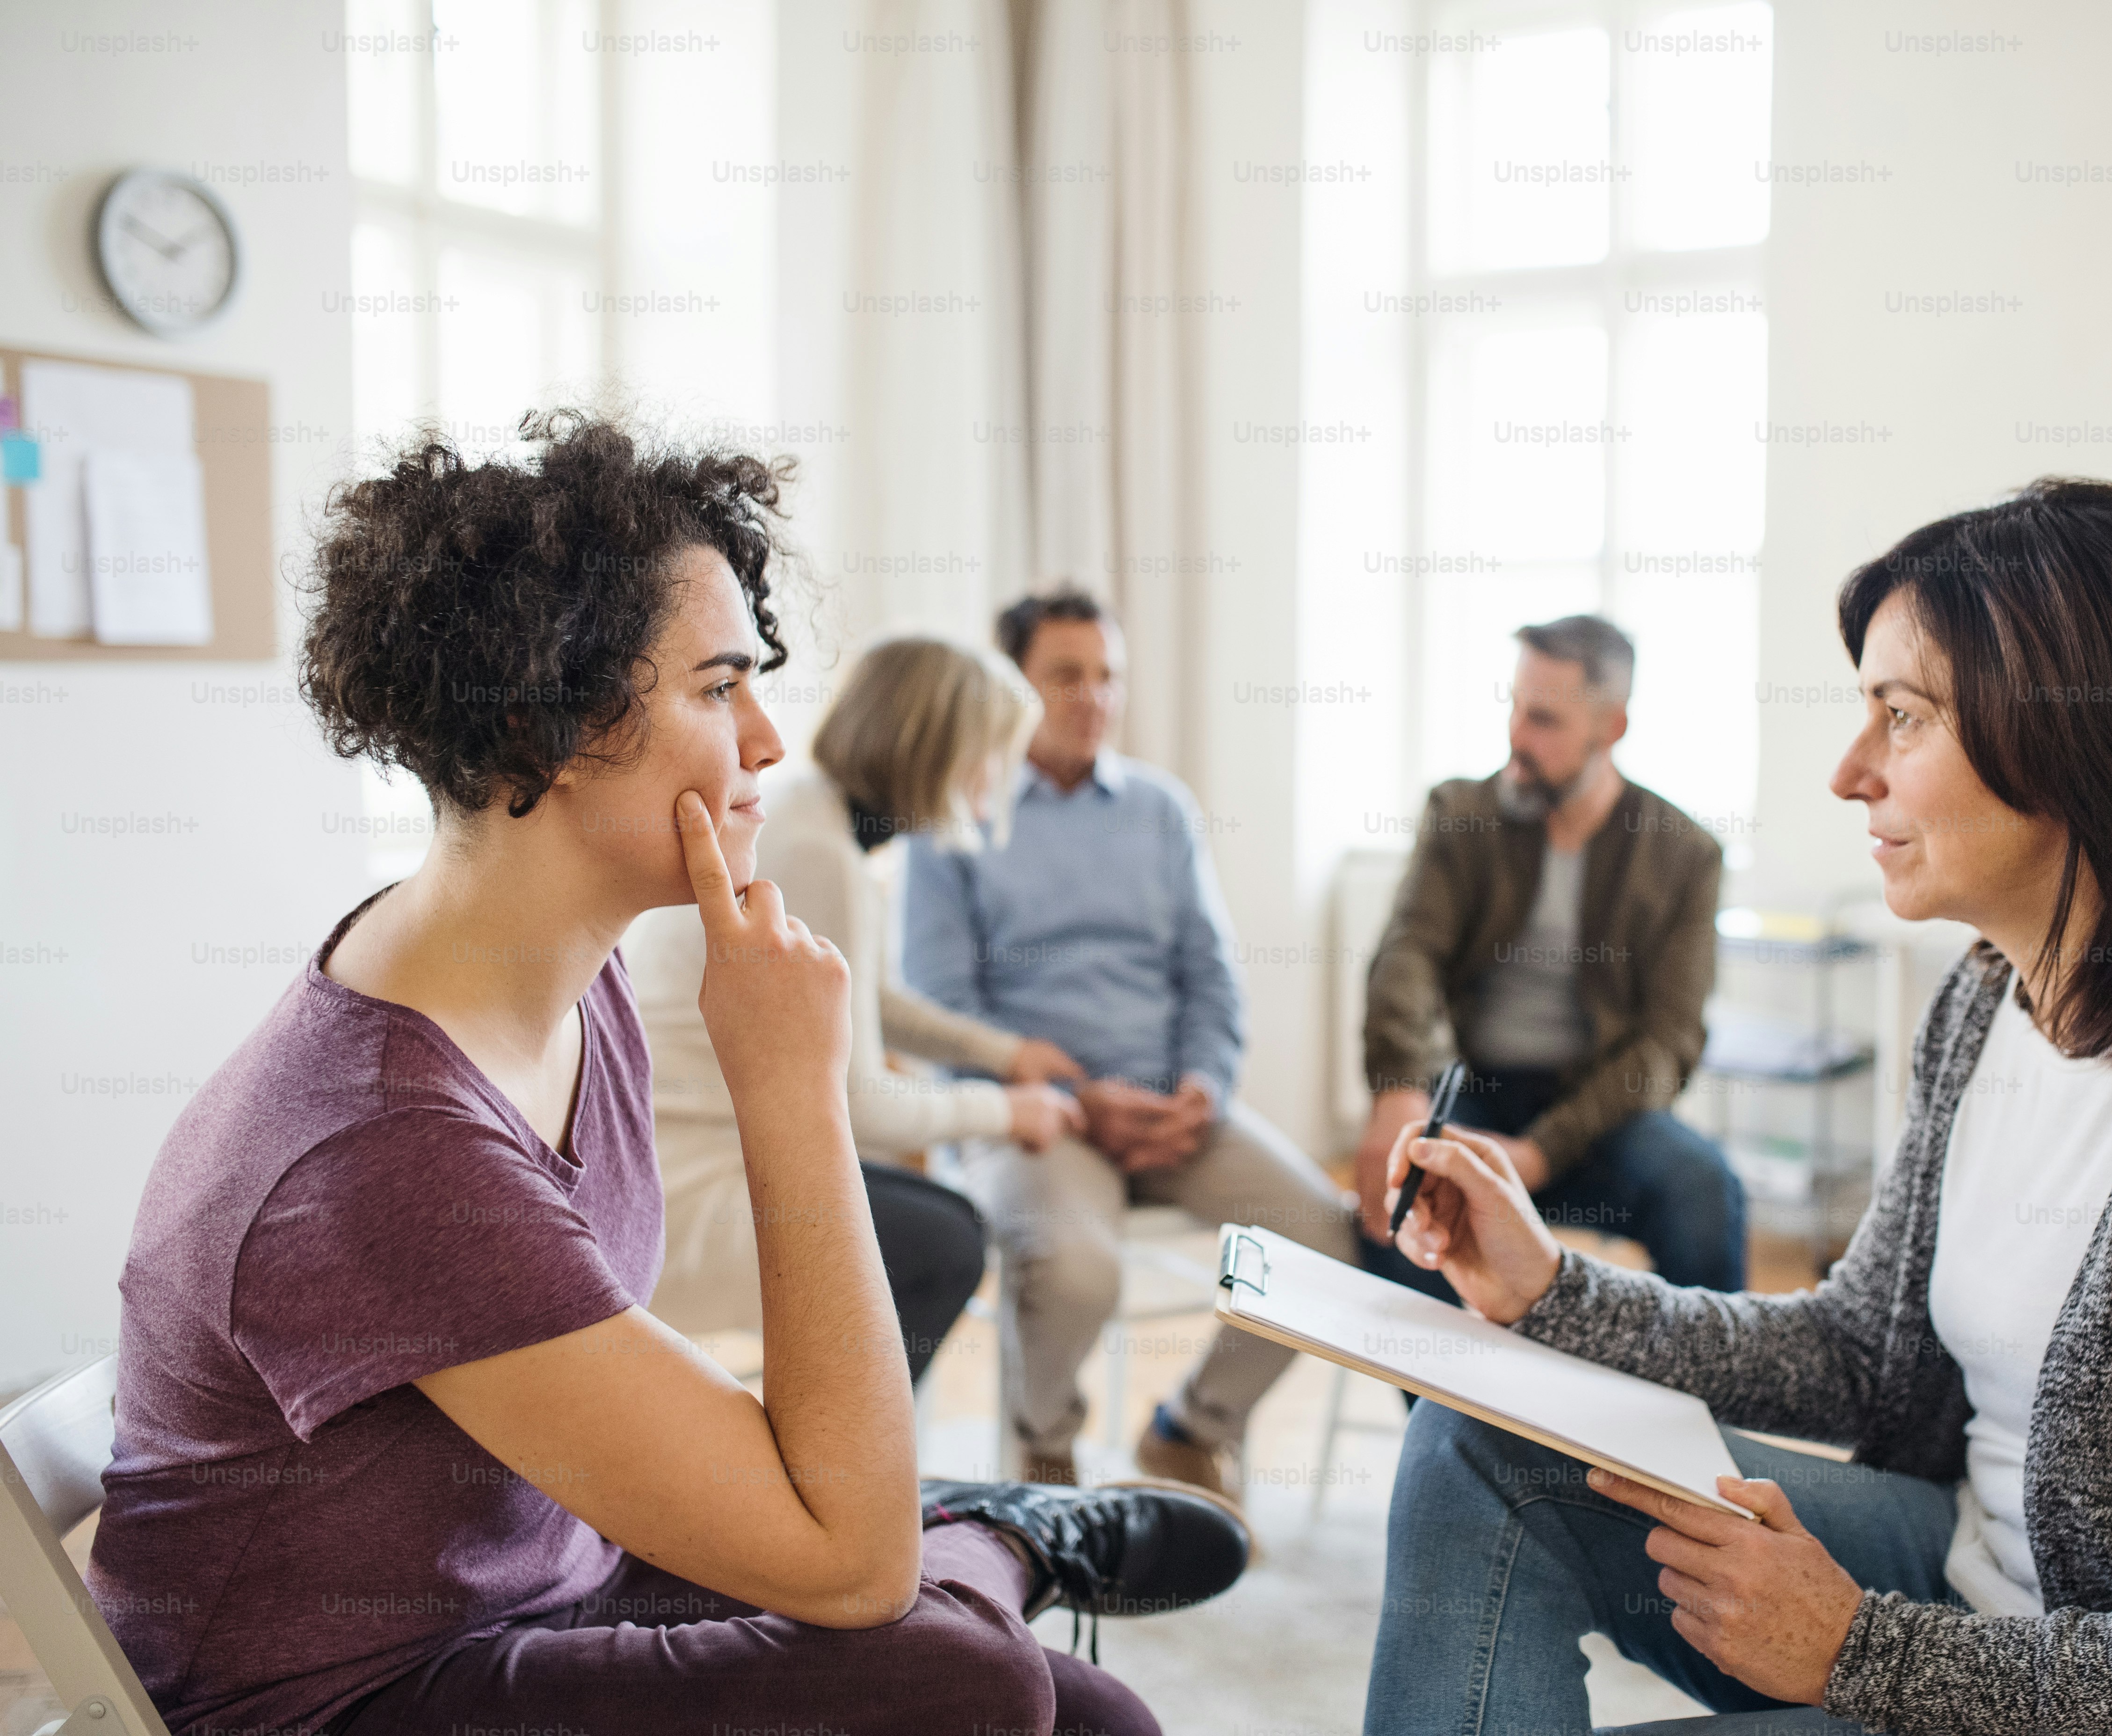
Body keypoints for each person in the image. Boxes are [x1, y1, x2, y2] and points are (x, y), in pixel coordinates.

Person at [84, 416, 1246, 1736]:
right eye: (716, 688)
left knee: (1092, 1717)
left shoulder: (573, 988)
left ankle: (970, 1534)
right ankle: (996, 1538)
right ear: (549, 730)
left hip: (538, 1583)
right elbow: (852, 1568)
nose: (766, 741)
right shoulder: (380, 1150)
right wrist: (794, 1092)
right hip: (343, 1697)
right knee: (966, 1675)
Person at [1361, 478, 2112, 1735]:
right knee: (1473, 1448)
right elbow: (1868, 1356)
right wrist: (1549, 1294)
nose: (1849, 772)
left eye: (1900, 718)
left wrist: (1857, 1650)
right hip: (1981, 1596)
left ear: (2067, 736)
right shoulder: (1992, 997)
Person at [903, 586, 1359, 1496]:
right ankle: (1042, 1445)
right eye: (1065, 674)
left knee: (1323, 1241)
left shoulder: (1161, 809)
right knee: (1078, 1270)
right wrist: (1074, 1103)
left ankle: (1191, 1427)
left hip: (1170, 1109)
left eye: (1108, 675)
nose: (1094, 696)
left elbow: (1211, 973)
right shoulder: (953, 815)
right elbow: (940, 1010)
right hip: (1037, 1118)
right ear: (1011, 685)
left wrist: (1205, 1085)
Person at [627, 636, 1089, 1382]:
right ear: (938, 753)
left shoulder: (810, 816)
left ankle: (844, 1452)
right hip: (689, 1193)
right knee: (946, 1248)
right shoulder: (822, 855)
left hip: (707, 1153)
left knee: (952, 1219)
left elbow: (861, 994)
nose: (994, 778)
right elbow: (865, 1108)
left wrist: (1003, 1056)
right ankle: (843, 1467)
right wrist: (1009, 1111)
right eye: (989, 755)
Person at [1354, 614, 1748, 1303]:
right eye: (1514, 707)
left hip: (1600, 1112)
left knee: (1704, 1190)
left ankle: (1699, 1411)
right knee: (1406, 1203)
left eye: (1545, 720)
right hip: (1476, 1090)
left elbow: (1668, 1042)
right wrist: (1397, 1089)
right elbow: (1409, 953)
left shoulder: (1684, 856)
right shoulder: (1462, 815)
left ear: (1612, 727)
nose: (1517, 737)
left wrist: (1541, 1153)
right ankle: (1462, 1414)